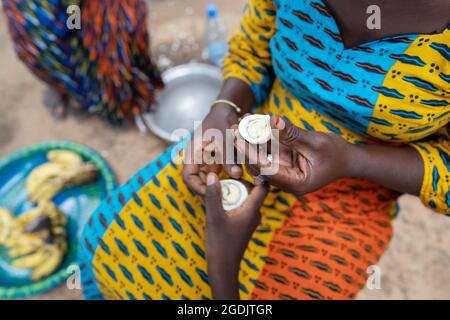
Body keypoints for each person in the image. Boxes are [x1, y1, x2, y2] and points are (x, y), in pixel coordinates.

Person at [79, 0, 450, 300]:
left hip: (353, 196)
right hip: (242, 152)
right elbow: (254, 46)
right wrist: (224, 108)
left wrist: (351, 160)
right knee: (103, 246)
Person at [2, 0, 163, 125]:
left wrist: (73, 19)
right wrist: (73, 21)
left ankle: (104, 93)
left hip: (76, 11)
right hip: (49, 13)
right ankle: (68, 87)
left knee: (108, 43)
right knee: (46, 49)